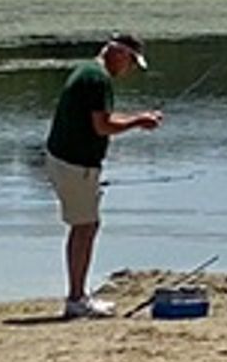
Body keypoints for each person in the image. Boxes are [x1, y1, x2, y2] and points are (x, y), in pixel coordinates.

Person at [44, 32, 162, 318]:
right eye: (131, 62)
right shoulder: (98, 79)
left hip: (67, 159)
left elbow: (100, 119)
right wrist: (138, 122)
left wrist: (136, 118)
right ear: (119, 54)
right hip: (75, 163)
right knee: (84, 227)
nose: (129, 69)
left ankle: (78, 296)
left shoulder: (89, 72)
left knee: (86, 225)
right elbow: (102, 126)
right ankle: (76, 299)